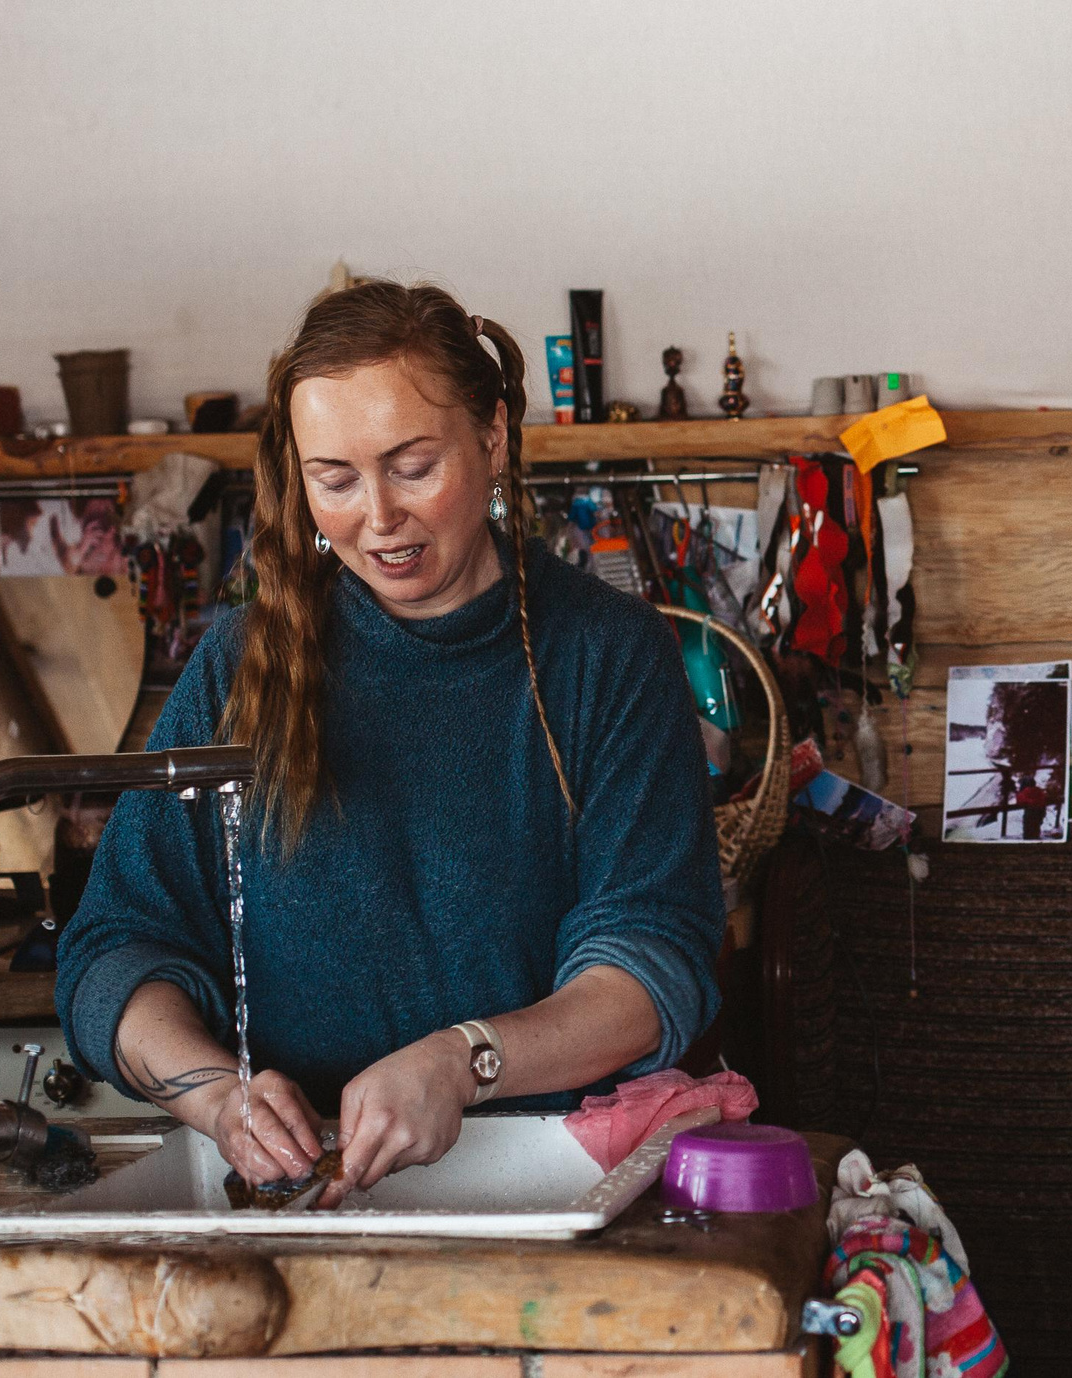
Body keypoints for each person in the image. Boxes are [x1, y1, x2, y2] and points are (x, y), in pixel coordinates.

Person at [55, 282, 722, 1206]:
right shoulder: (241, 666)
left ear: (491, 439)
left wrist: (466, 1060)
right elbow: (117, 950)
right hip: (300, 1194)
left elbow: (650, 967)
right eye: (335, 480)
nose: (377, 517)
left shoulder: (608, 657)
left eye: (412, 466)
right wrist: (216, 1099)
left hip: (544, 1182)